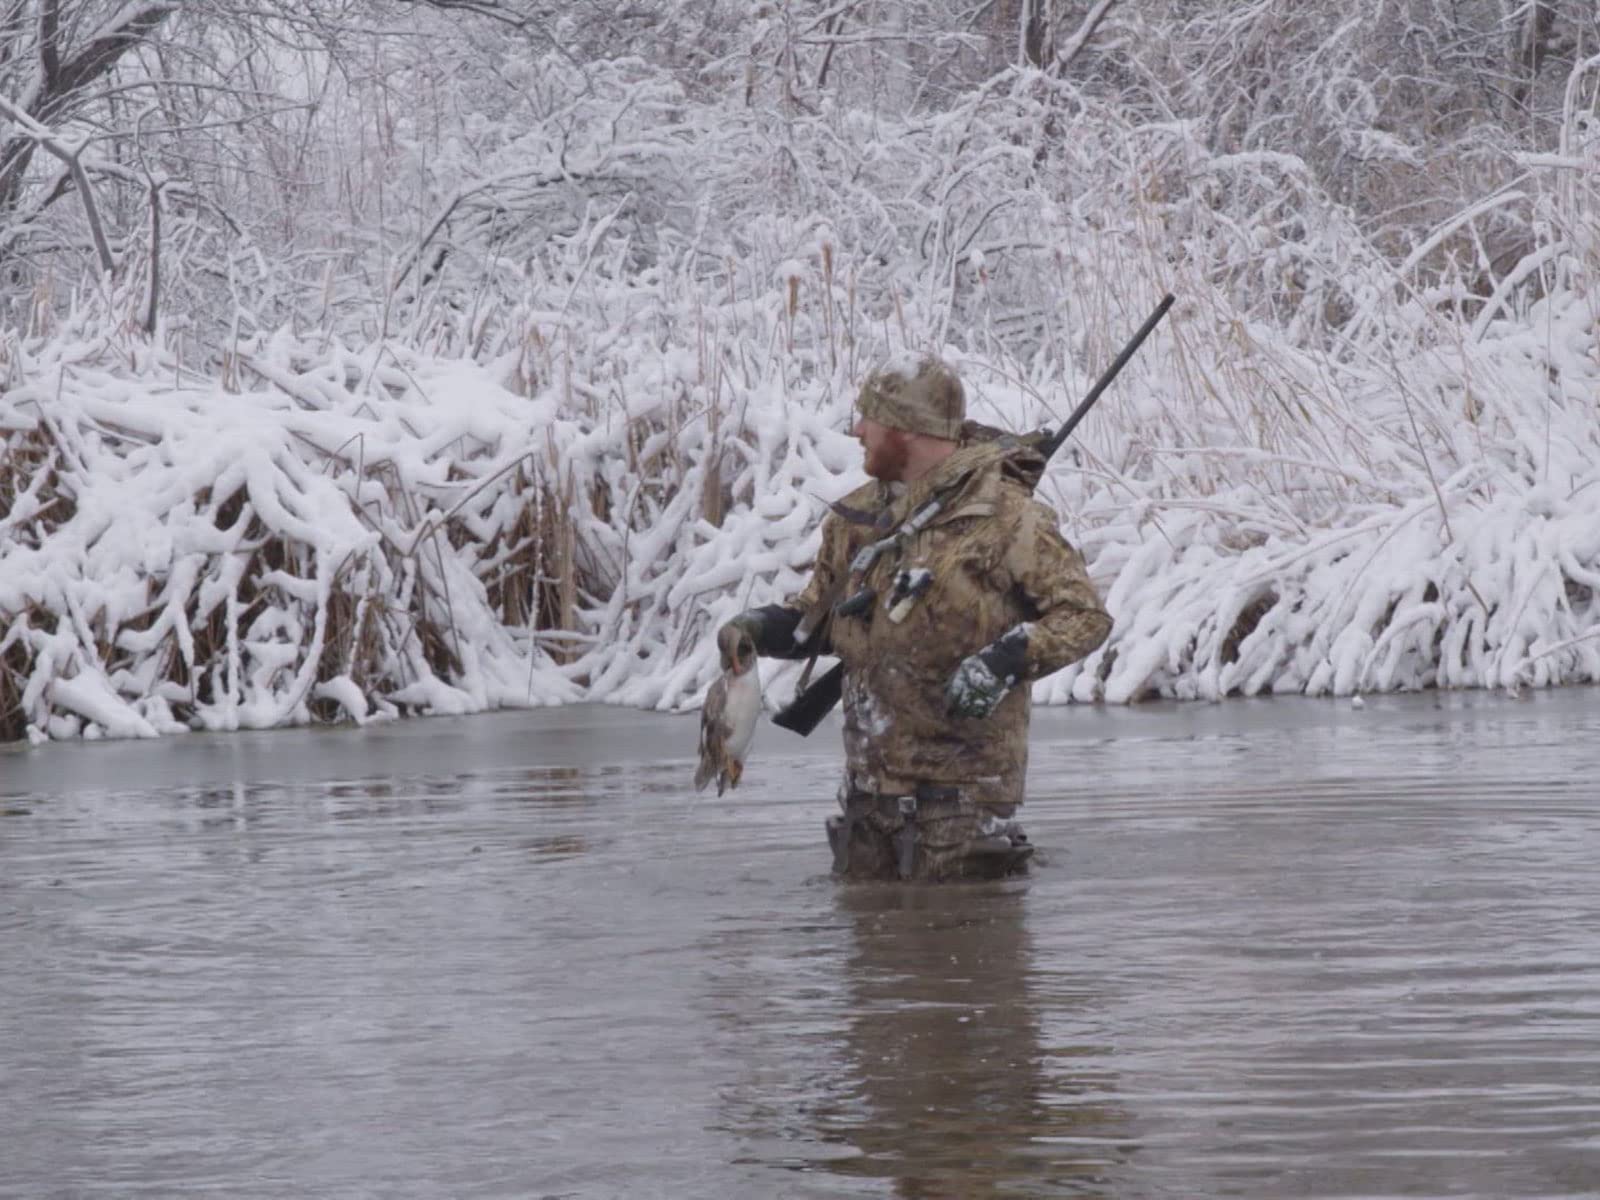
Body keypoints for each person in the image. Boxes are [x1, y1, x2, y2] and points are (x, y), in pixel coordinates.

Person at [723, 355, 1112, 881]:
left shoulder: (1008, 518)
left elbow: (1084, 616)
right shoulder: (857, 521)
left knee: (964, 960)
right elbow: (817, 620)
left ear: (907, 430)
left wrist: (1004, 662)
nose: (857, 430)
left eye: (870, 418)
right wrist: (756, 629)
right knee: (869, 957)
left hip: (961, 815)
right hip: (867, 807)